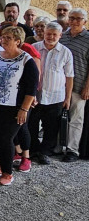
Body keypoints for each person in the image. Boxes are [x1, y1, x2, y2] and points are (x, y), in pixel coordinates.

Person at [0, 26, 38, 186]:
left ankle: (8, 173)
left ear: (18, 41)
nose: (4, 40)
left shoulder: (26, 60)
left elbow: (31, 88)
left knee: (6, 138)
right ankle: (1, 165)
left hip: (15, 107)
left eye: (9, 37)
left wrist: (24, 109)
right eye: (3, 37)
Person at [30, 22, 74, 165]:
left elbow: (69, 77)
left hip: (56, 96)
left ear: (60, 36)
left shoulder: (66, 52)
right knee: (32, 124)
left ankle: (44, 152)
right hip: (36, 96)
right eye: (49, 33)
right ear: (44, 33)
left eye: (55, 34)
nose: (51, 37)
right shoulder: (34, 48)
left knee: (51, 127)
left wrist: (67, 98)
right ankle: (33, 149)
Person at [57, 8, 89, 162]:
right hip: (59, 86)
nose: (74, 21)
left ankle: (72, 150)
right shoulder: (61, 36)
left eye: (78, 18)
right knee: (57, 117)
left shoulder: (88, 38)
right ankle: (56, 147)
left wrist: (87, 87)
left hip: (79, 86)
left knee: (76, 119)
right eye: (72, 18)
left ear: (85, 21)